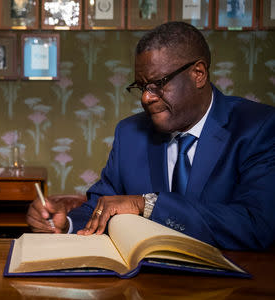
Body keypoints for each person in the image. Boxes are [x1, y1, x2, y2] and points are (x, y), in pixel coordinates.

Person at [26, 21, 275, 251]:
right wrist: (65, 223)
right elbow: (102, 204)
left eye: (158, 83)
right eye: (142, 86)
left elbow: (258, 225)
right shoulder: (130, 133)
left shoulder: (258, 127)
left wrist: (147, 205)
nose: (146, 97)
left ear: (198, 73)